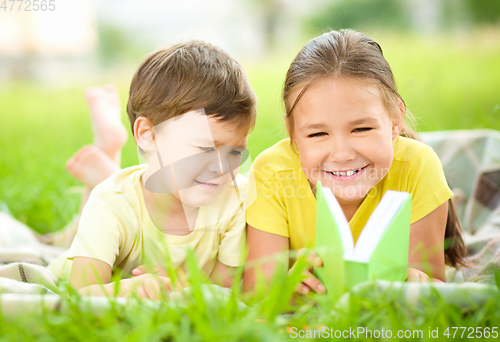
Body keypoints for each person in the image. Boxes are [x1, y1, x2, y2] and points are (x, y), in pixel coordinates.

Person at [243, 29, 466, 294]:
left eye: (361, 129)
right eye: (317, 133)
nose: (342, 154)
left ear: (395, 121)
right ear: (293, 134)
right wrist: (287, 292)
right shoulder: (272, 173)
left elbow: (433, 288)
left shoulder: (417, 166)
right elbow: (256, 294)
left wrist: (415, 285)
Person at [48, 40, 257, 299]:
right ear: (148, 134)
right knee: (58, 241)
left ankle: (107, 156)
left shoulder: (235, 199)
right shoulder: (110, 204)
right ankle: (106, 153)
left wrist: (178, 287)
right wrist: (129, 289)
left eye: (235, 152)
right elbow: (80, 294)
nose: (221, 168)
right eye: (205, 149)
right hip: (95, 232)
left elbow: (223, 290)